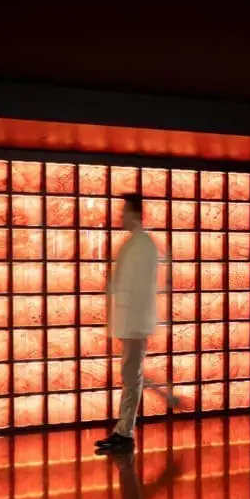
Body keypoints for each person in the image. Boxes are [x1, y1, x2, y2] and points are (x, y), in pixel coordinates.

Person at [96, 192, 172, 452]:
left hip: (134, 322)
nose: (120, 217)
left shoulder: (142, 246)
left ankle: (125, 431)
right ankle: (124, 429)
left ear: (135, 214)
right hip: (130, 322)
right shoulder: (136, 244)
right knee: (131, 376)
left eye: (124, 212)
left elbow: (140, 289)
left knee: (132, 377)